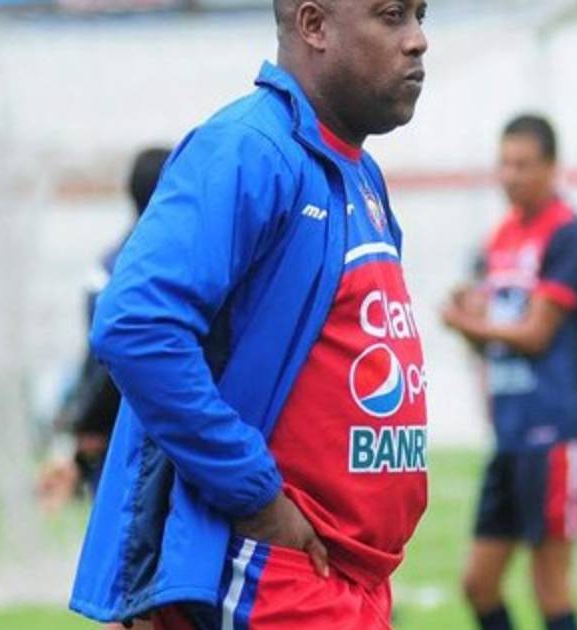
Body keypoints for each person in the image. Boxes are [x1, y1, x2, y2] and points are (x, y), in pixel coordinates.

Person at [69, 1, 429, 629]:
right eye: (392, 15)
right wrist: (255, 492)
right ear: (314, 26)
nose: (418, 40)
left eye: (423, 16)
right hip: (271, 568)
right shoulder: (246, 148)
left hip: (345, 571)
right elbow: (136, 326)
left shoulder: (359, 173)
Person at [442, 114, 577, 630]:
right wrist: (467, 315)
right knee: (478, 583)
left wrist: (469, 323)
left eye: (523, 165)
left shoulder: (570, 235)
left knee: (549, 585)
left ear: (552, 167)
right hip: (509, 431)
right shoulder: (499, 238)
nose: (510, 175)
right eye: (504, 164)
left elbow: (536, 335)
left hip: (554, 432)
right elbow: (487, 338)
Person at [38, 146, 172, 511]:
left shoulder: (110, 266)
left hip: (120, 432)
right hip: (157, 431)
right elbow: (113, 352)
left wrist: (84, 425)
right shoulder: (171, 263)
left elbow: (98, 353)